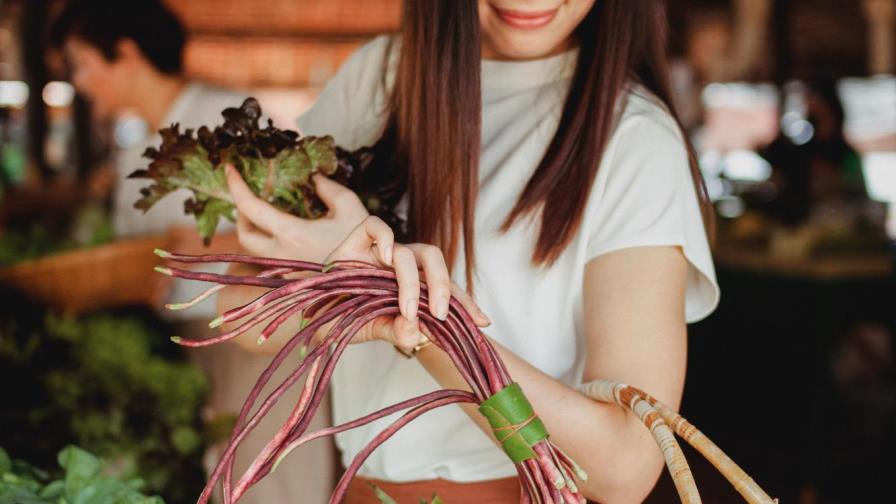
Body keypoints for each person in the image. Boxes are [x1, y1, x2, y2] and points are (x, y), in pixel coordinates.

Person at [220, 1, 720, 502]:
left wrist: (408, 308)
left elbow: (624, 468)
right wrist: (341, 299)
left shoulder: (636, 139)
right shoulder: (380, 76)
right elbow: (237, 312)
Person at [49, 2, 334, 503]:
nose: (81, 81)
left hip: (255, 337)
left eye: (81, 62)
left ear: (125, 53)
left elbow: (313, 223)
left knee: (269, 487)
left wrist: (198, 248)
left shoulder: (222, 116)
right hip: (184, 337)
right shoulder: (138, 146)